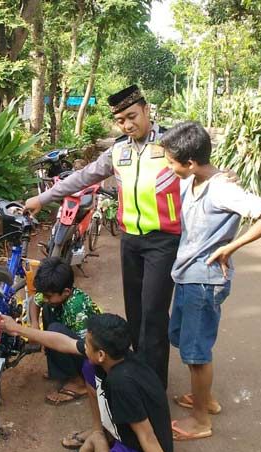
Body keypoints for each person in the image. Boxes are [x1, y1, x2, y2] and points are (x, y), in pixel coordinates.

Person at [25, 85, 180, 389]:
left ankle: (153, 387)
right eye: (121, 120)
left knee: (153, 314)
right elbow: (83, 177)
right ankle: (138, 372)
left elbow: (199, 169)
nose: (127, 125)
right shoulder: (119, 150)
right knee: (135, 312)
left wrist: (221, 176)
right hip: (131, 241)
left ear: (147, 111)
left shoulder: (170, 143)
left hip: (163, 241)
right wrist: (42, 199)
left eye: (132, 116)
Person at [160, 122, 261, 441]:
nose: (168, 166)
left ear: (190, 162)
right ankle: (205, 397)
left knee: (196, 352)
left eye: (171, 161)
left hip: (204, 282)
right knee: (182, 339)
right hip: (188, 276)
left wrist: (231, 246)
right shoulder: (196, 179)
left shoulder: (221, 189)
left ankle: (201, 419)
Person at [1, 312, 173, 452]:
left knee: (93, 446)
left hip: (136, 449)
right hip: (126, 433)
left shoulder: (122, 383)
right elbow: (62, 342)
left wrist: (97, 444)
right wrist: (17, 328)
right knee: (89, 368)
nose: (85, 346)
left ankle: (98, 440)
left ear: (101, 354)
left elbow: (147, 437)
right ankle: (99, 432)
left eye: (88, 344)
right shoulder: (114, 357)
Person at [30, 257, 101, 405]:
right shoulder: (52, 292)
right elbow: (34, 301)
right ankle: (59, 369)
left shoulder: (76, 307)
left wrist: (91, 379)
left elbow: (87, 350)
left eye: (48, 296)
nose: (44, 298)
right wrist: (35, 324)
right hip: (75, 338)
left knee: (54, 330)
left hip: (92, 351)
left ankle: (80, 382)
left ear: (66, 292)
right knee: (49, 309)